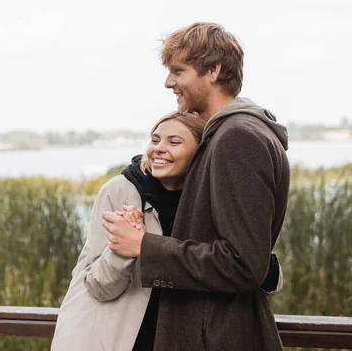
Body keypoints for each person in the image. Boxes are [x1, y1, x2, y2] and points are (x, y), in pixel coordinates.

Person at [101, 22, 290, 350]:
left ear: (214, 70)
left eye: (178, 71)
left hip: (215, 338)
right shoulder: (233, 133)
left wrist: (144, 245)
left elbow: (242, 264)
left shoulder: (237, 137)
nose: (168, 82)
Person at [51, 111, 283, 351]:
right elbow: (99, 286)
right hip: (120, 339)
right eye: (155, 140)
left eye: (174, 142)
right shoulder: (120, 191)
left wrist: (250, 261)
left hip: (185, 336)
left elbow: (262, 276)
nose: (158, 148)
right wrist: (124, 248)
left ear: (200, 154)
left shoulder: (215, 197)